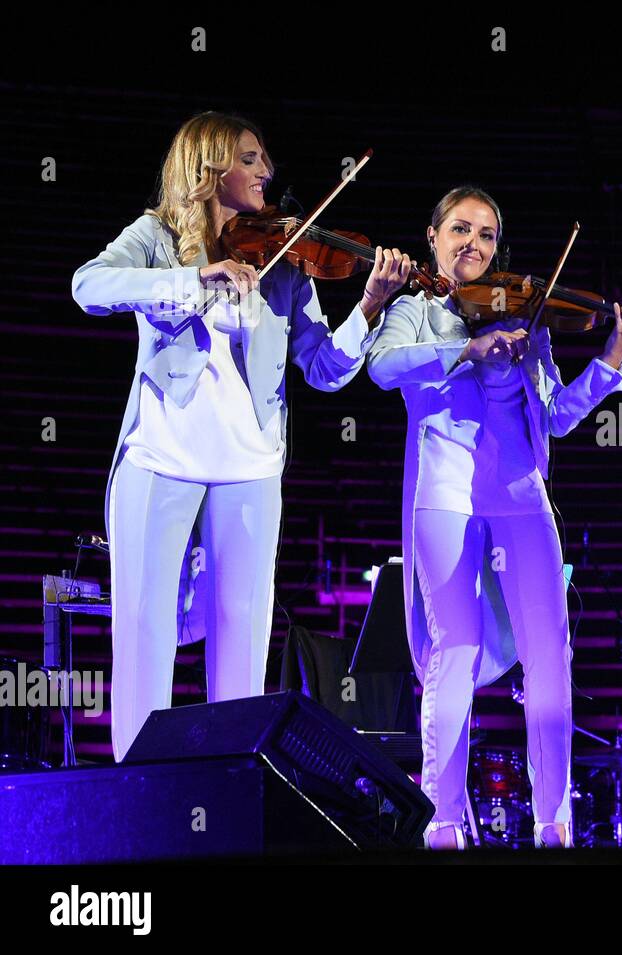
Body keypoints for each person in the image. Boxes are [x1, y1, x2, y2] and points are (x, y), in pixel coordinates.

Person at [71, 111, 412, 760]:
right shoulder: (158, 236)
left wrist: (367, 307)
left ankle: (225, 793)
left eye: (265, 160)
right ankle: (141, 796)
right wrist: (194, 278)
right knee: (144, 635)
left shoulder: (286, 262)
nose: (268, 171)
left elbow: (323, 369)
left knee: (242, 639)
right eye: (251, 158)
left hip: (251, 467)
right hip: (159, 457)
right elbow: (89, 286)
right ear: (210, 164)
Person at [368, 185, 622, 848]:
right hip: (444, 496)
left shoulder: (527, 319)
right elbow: (381, 370)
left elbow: (554, 414)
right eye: (461, 230)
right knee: (454, 650)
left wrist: (611, 358)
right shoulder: (413, 310)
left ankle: (553, 818)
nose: (474, 244)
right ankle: (441, 819)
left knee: (550, 653)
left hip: (524, 496)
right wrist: (464, 352)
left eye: (488, 234)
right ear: (432, 236)